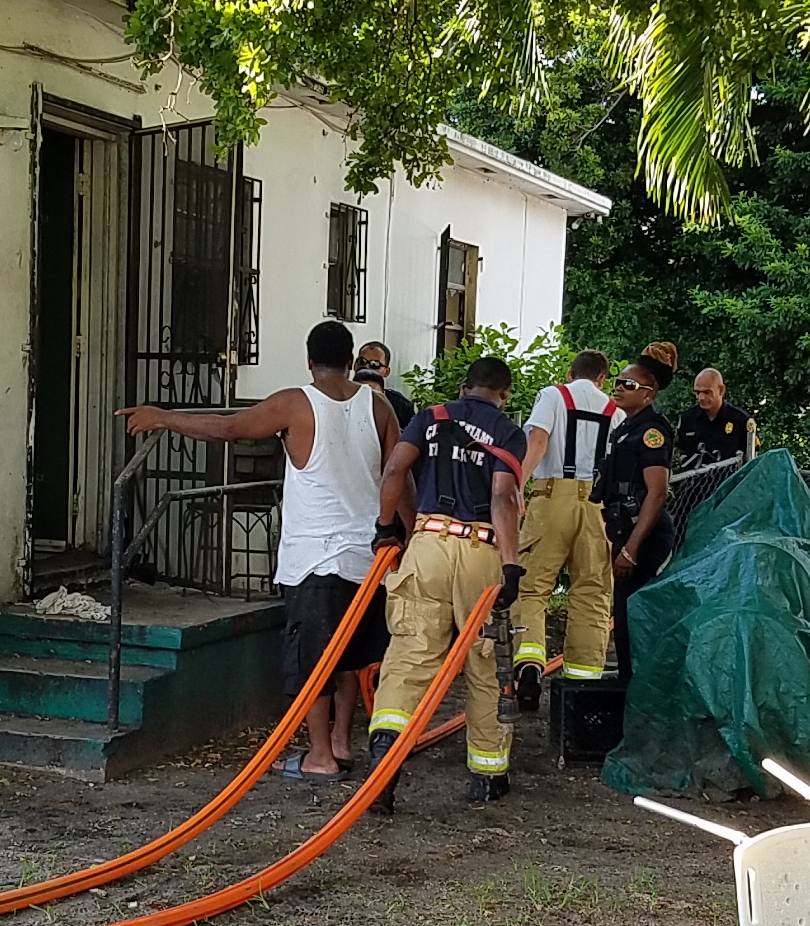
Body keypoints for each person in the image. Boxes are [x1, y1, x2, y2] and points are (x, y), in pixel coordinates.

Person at [122, 320, 399, 780]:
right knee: (349, 654)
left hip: (314, 558)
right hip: (366, 557)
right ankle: (341, 742)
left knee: (313, 661)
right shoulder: (379, 406)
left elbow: (229, 428)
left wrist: (165, 417)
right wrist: (406, 534)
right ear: (351, 361)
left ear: (309, 361)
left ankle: (319, 757)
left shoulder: (295, 403)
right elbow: (398, 475)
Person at [367, 355, 527, 804]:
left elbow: (395, 470)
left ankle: (385, 755)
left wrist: (386, 527)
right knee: (485, 664)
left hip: (428, 544)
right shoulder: (507, 432)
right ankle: (488, 775)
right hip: (480, 550)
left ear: (463, 387)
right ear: (504, 394)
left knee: (409, 657)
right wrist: (510, 565)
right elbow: (502, 497)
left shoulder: (429, 418)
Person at [508, 350, 618, 708]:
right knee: (592, 593)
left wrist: (517, 488)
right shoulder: (615, 411)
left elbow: (538, 442)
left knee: (531, 586)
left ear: (571, 374)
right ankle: (582, 684)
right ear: (602, 379)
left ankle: (529, 661)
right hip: (597, 506)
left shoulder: (553, 396)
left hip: (552, 498)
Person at [599, 343, 683, 679]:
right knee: (624, 619)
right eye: (618, 382)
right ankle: (628, 684)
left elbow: (657, 492)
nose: (619, 388)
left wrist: (631, 549)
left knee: (637, 619)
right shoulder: (626, 428)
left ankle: (642, 687)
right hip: (624, 530)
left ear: (649, 394)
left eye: (629, 384)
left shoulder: (651, 432)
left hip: (644, 537)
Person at [674, 368, 756, 469]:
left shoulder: (741, 421)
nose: (701, 398)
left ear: (721, 390)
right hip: (695, 478)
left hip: (731, 478)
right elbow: (678, 454)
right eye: (698, 392)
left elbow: (751, 460)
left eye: (707, 392)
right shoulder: (687, 420)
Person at [355, 342, 417, 427]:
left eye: (375, 364)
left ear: (386, 372)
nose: (367, 367)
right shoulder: (340, 398)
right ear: (354, 365)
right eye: (362, 362)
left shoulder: (401, 406)